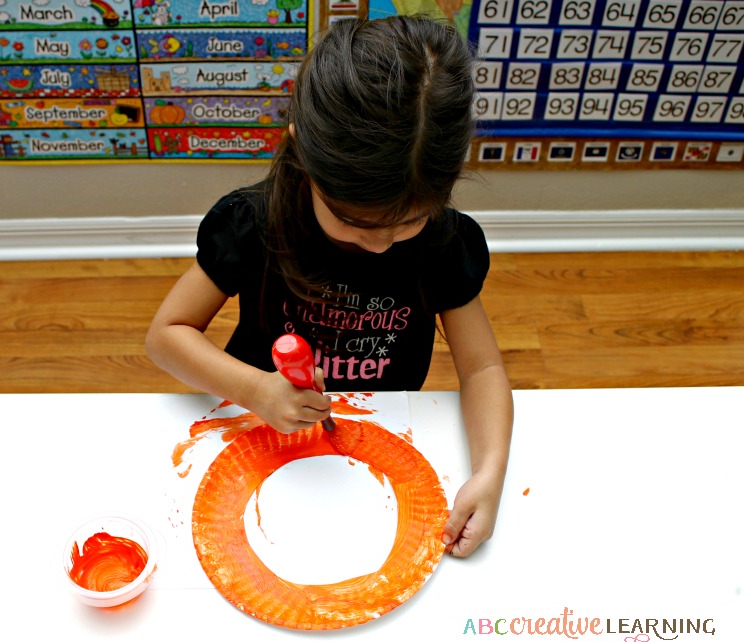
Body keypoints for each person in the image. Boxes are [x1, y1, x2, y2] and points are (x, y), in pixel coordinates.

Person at [146, 15, 513, 558]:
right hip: (257, 423)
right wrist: (255, 389)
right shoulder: (255, 222)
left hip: (380, 436)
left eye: (408, 223)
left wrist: (489, 473)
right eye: (358, 225)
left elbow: (482, 369)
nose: (383, 246)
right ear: (303, 155)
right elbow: (166, 335)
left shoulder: (444, 244)